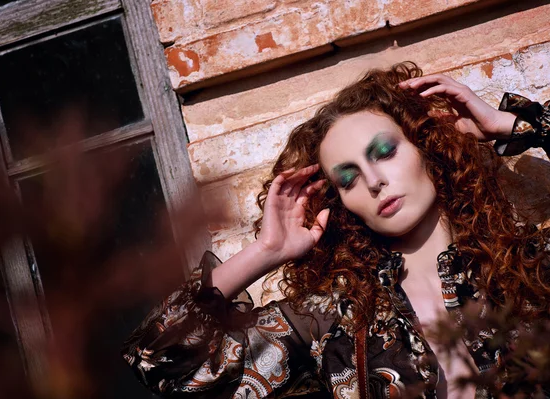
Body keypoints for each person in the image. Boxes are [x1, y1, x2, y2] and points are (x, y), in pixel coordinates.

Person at [121, 62, 550, 399]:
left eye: (384, 152)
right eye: (348, 178)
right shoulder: (333, 323)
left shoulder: (531, 268)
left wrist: (516, 127)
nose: (373, 181)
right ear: (341, 204)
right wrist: (267, 250)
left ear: (428, 147)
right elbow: (158, 360)